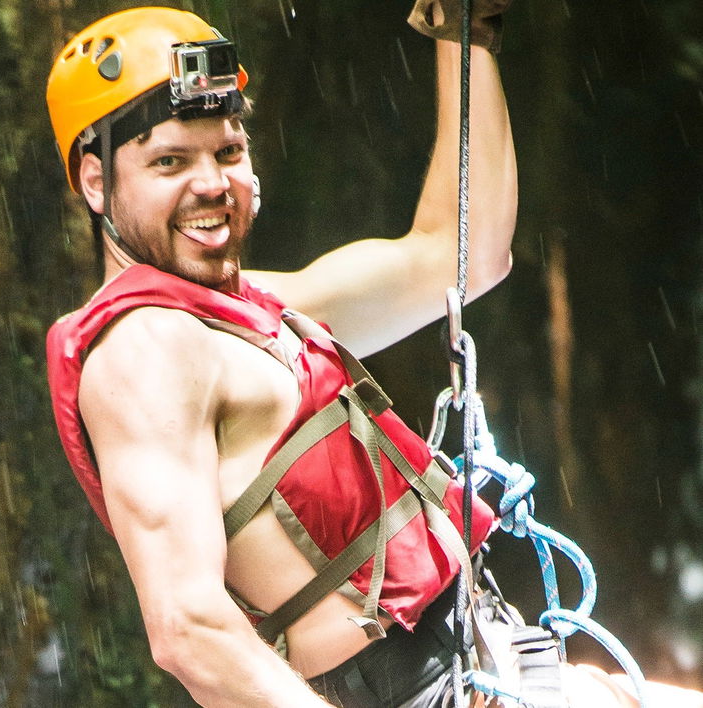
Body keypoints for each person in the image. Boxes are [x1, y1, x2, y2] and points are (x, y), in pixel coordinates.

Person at [43, 5, 703, 708]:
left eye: (228, 152)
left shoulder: (258, 310)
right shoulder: (145, 352)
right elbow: (187, 628)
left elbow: (465, 254)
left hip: (483, 661)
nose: (211, 184)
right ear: (95, 182)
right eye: (170, 161)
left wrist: (464, 33)